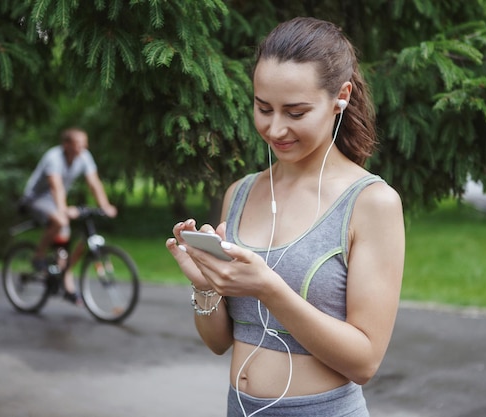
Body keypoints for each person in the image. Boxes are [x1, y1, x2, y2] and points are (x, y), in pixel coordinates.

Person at [166, 17, 405, 417]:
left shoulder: (371, 203)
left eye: (295, 112)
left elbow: (365, 362)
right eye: (264, 108)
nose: (275, 128)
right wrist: (206, 286)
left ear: (340, 97)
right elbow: (219, 341)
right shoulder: (240, 193)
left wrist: (268, 288)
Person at [21, 127, 118, 304]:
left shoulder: (84, 156)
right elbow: (55, 186)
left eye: (84, 143)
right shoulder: (53, 157)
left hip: (56, 199)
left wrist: (104, 206)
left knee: (71, 239)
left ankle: (65, 279)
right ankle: (39, 256)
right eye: (78, 144)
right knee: (60, 220)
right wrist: (63, 209)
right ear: (66, 145)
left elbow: (94, 183)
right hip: (37, 198)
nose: (83, 147)